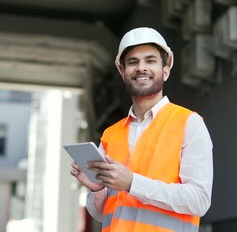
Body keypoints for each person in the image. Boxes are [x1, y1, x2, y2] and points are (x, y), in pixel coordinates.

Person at [70, 27, 213, 232]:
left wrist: (132, 183)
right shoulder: (110, 135)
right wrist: (98, 189)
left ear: (166, 69)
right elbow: (101, 213)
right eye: (133, 62)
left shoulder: (189, 124)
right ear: (122, 72)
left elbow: (199, 200)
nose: (141, 68)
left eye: (150, 60)